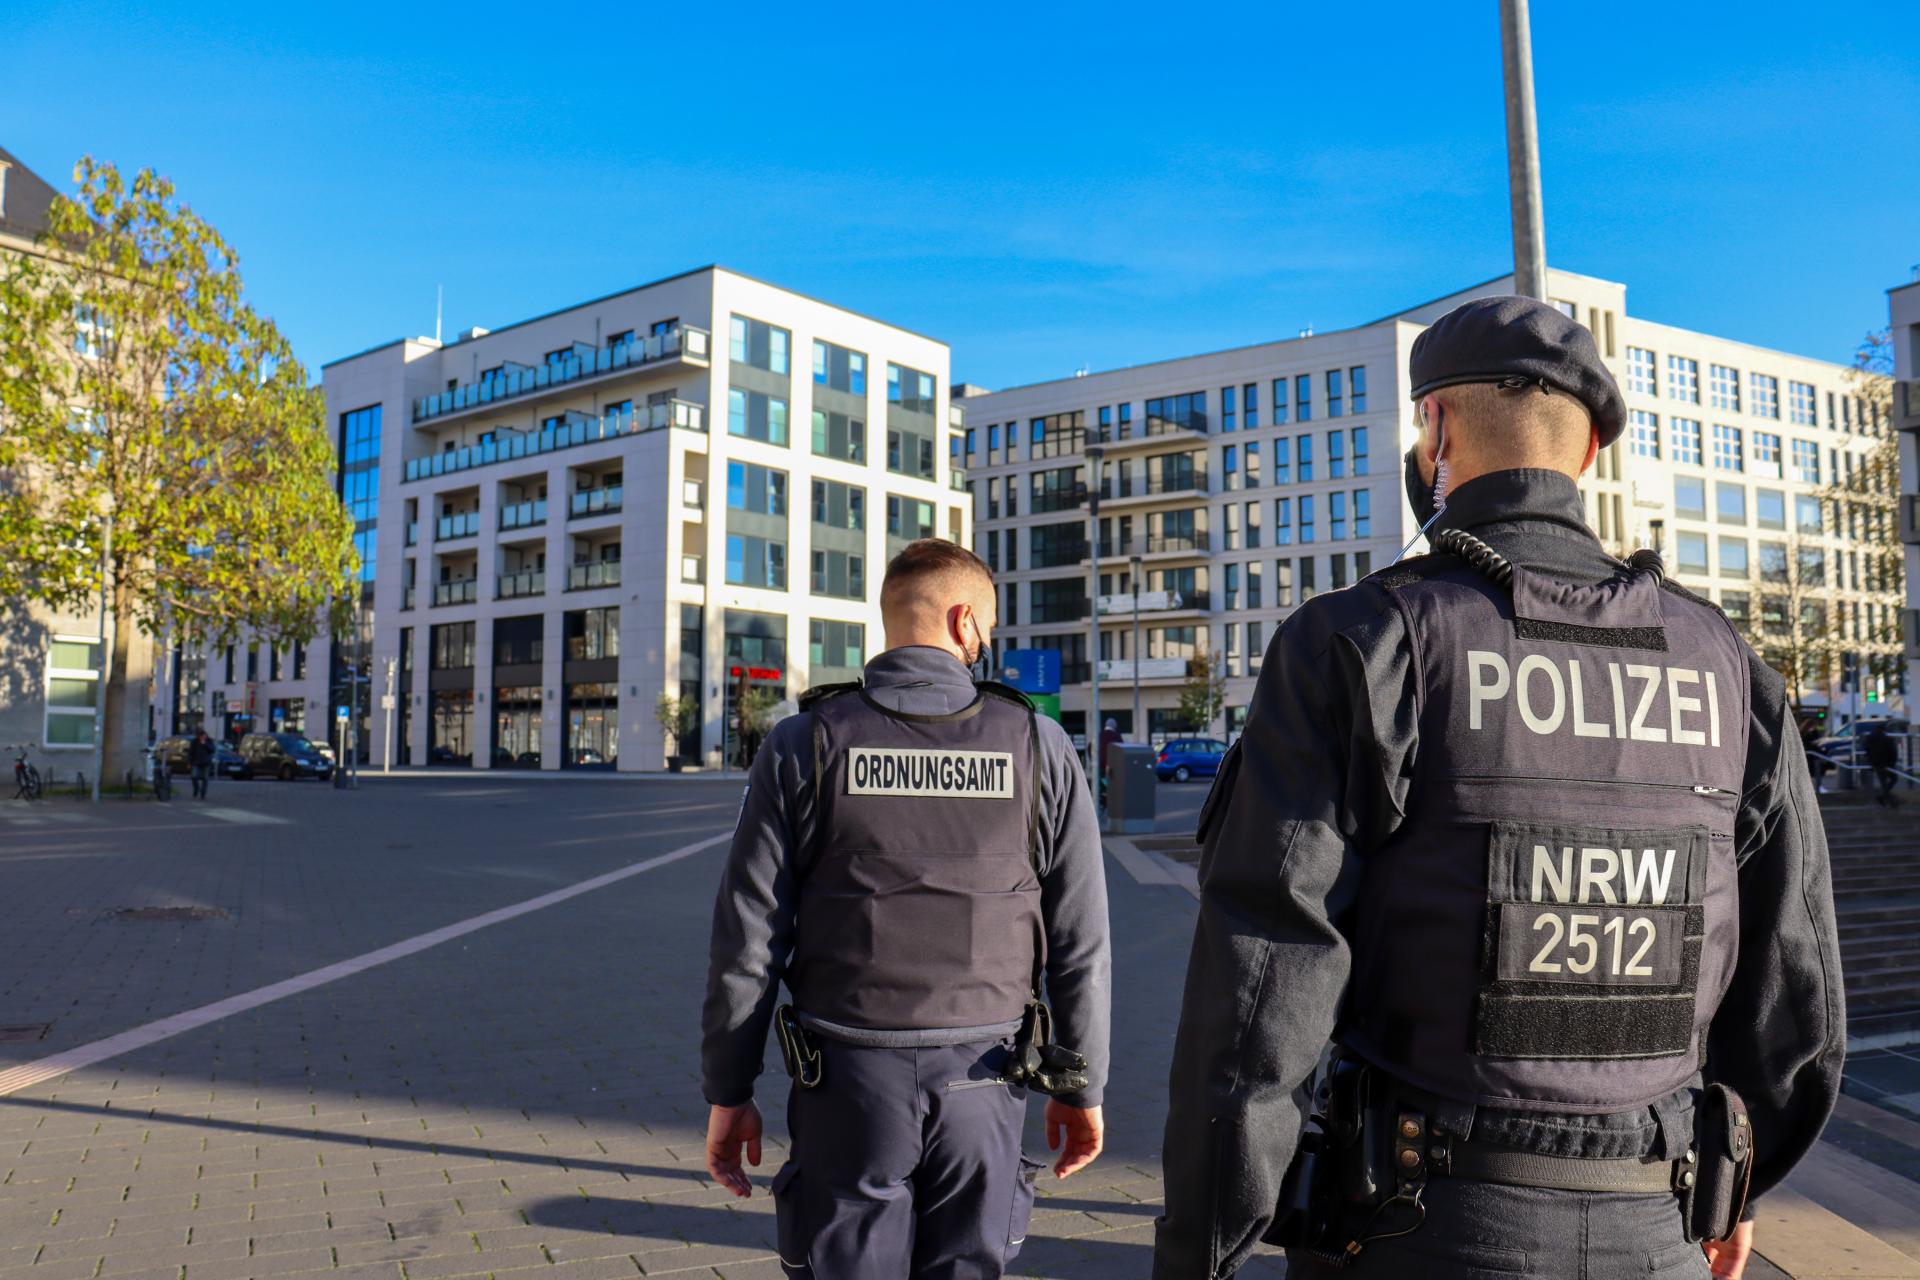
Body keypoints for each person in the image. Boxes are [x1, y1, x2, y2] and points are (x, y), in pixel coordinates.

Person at [1154, 296, 1844, 1280]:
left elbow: (1262, 990)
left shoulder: (1367, 639)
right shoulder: (1727, 664)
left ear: (1433, 427)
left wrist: (1203, 1248)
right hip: (1660, 1226)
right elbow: (1795, 998)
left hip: (1418, 1225)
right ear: (1592, 453)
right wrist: (1735, 1185)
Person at [702, 538, 1112, 1279]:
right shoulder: (1039, 746)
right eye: (987, 629)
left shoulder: (806, 743)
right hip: (987, 1081)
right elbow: (1079, 940)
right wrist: (1082, 1086)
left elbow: (748, 938)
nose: (985, 644)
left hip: (847, 1083)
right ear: (964, 623)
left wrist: (729, 1090)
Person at [1864, 724, 1900, 808]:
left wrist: (1870, 762)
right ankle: (1886, 798)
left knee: (1883, 781)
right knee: (1893, 779)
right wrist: (1892, 763)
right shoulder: (1887, 739)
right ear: (1884, 731)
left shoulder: (1869, 739)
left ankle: (1884, 797)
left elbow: (1867, 752)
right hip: (1886, 763)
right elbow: (1893, 752)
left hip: (1875, 763)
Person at [1800, 719, 1831, 794]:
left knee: (1814, 773)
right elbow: (1813, 743)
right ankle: (1818, 787)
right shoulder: (1807, 734)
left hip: (1811, 756)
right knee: (1816, 772)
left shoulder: (1805, 733)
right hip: (1812, 756)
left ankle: (1817, 787)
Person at [188, 729, 216, 800]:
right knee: (194, 776)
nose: (202, 738)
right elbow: (191, 753)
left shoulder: (209, 741)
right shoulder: (194, 742)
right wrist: (189, 762)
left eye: (204, 736)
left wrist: (205, 744)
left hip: (206, 763)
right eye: (201, 736)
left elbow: (212, 750)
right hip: (196, 763)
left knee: (205, 779)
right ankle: (196, 789)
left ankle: (203, 793)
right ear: (198, 736)